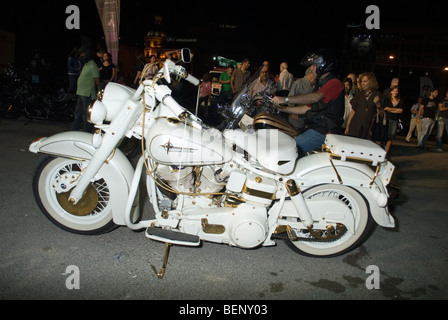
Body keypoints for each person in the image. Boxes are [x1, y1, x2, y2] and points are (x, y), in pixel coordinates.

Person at [272, 50, 345, 155]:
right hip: (315, 129)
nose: (311, 68)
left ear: (322, 65)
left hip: (324, 133)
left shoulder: (334, 83)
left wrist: (285, 99)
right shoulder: (321, 85)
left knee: (287, 150)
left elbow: (315, 98)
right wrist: (280, 108)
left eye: (314, 65)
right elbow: (305, 108)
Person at [70, 47, 100, 133]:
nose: (81, 55)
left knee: (85, 114)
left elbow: (96, 80)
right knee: (78, 112)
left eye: (83, 54)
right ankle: (74, 128)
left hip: (87, 93)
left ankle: (86, 131)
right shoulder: (86, 64)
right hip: (81, 92)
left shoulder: (93, 65)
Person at [345, 72, 382, 140]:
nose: (363, 83)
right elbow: (353, 111)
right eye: (362, 81)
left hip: (367, 128)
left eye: (365, 81)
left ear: (371, 82)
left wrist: (377, 104)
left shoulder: (377, 95)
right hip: (355, 126)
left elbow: (381, 113)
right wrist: (348, 126)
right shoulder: (359, 95)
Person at [287, 66, 317, 133]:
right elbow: (289, 98)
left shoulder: (315, 86)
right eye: (315, 75)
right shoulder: (299, 83)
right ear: (310, 74)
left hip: (308, 119)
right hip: (297, 119)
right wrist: (293, 111)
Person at [383, 86, 404, 154]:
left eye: (396, 91)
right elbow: (385, 108)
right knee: (384, 135)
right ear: (391, 91)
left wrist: (391, 109)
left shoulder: (400, 101)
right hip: (387, 119)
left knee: (391, 136)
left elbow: (401, 110)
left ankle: (386, 152)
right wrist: (396, 110)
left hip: (395, 120)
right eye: (394, 91)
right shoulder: (387, 99)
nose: (395, 93)